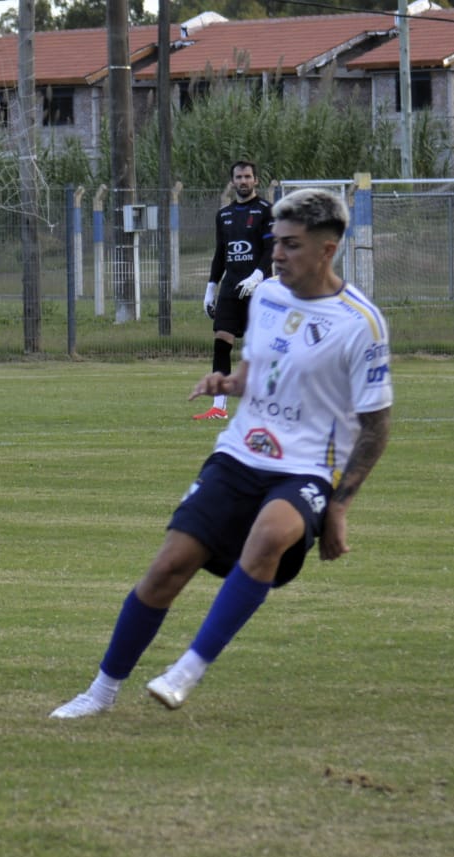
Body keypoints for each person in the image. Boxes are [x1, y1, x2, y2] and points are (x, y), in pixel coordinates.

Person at [51, 187, 392, 719]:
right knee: (168, 566)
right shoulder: (269, 296)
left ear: (327, 250)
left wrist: (341, 506)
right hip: (240, 453)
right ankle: (100, 692)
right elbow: (256, 371)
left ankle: (185, 672)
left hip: (305, 468)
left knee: (270, 536)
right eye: (275, 242)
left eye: (291, 245)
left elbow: (376, 426)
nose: (277, 254)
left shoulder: (360, 323)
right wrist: (228, 383)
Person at [196, 159, 273, 420]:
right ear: (232, 182)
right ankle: (219, 406)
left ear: (256, 180)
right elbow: (221, 254)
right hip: (231, 287)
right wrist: (211, 289)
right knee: (221, 341)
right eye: (239, 177)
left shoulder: (266, 211)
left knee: (261, 348)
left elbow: (270, 249)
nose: (243, 181)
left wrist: (257, 276)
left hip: (259, 289)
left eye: (247, 176)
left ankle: (266, 403)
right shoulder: (224, 215)